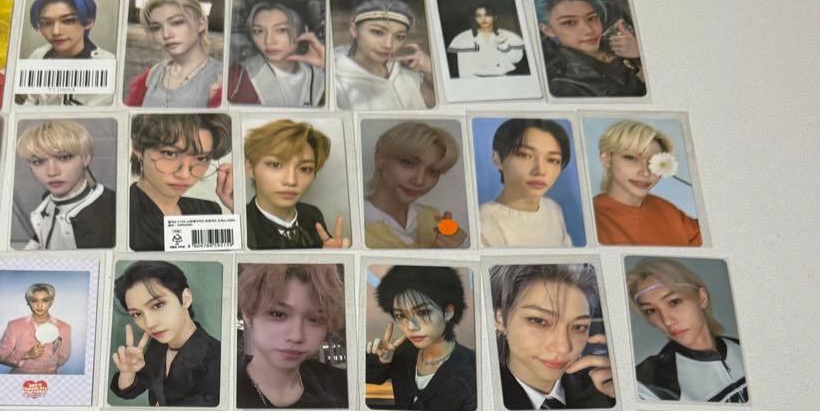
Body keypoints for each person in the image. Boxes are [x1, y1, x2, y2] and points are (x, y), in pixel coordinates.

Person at [490, 262, 615, 410]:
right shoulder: (482, 394)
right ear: (500, 319)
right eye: (539, 321)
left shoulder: (606, 392)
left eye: (578, 327)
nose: (563, 348)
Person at [626, 258, 747, 402]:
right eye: (651, 310)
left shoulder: (745, 349)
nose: (667, 321)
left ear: (701, 298)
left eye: (674, 302)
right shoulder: (648, 384)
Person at [236, 263, 349, 409]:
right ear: (249, 314)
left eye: (315, 319)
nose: (296, 336)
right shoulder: (220, 388)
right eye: (278, 314)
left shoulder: (341, 385)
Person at [366, 266, 477, 411]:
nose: (411, 326)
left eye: (423, 312)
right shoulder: (403, 352)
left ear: (448, 312)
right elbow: (367, 377)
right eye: (400, 315)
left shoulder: (472, 370)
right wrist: (382, 361)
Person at [110, 261, 221, 407]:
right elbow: (131, 389)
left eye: (158, 305)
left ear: (185, 298)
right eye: (137, 314)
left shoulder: (218, 358)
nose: (149, 323)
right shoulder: (157, 347)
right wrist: (127, 372)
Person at [128, 113, 233, 252]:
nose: (184, 175)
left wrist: (237, 207)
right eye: (169, 154)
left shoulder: (208, 211)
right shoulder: (119, 213)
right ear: (138, 149)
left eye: (201, 158)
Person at [592, 120, 701, 246]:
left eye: (653, 162)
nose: (645, 173)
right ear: (606, 158)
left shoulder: (667, 210)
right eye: (631, 158)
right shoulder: (593, 219)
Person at [244, 119, 349, 249]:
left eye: (305, 169)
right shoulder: (242, 224)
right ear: (250, 168)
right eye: (275, 165)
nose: (291, 180)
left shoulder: (312, 214)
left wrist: (332, 258)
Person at [363, 121, 466, 249]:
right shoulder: (356, 223)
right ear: (381, 159)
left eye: (433, 171)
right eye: (408, 163)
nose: (419, 181)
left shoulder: (432, 217)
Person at [15, 120, 116, 248]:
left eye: (64, 157)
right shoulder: (47, 201)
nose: (52, 172)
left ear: (86, 158)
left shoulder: (112, 207)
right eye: (38, 162)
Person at [533, 0, 645, 98]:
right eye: (570, 23)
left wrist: (640, 53)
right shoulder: (565, 87)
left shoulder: (614, 38)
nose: (589, 30)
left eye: (592, 18)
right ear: (548, 30)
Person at [479, 118, 574, 247]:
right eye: (525, 155)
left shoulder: (553, 209)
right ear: (497, 159)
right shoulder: (484, 223)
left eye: (552, 160)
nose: (540, 170)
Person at [125, 0, 223, 108]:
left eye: (176, 23)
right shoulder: (154, 73)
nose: (166, 34)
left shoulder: (221, 79)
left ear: (201, 24)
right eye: (156, 28)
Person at [334, 0, 434, 110]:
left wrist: (431, 69)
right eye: (378, 32)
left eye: (399, 37)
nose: (388, 45)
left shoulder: (409, 73)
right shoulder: (334, 82)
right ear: (354, 30)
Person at [19, 0, 115, 107]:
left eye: (68, 21)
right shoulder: (38, 55)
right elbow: (31, 101)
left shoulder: (107, 64)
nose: (55, 32)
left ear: (88, 22)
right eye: (46, 23)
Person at [228, 0, 326, 107]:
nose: (268, 41)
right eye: (258, 31)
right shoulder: (236, 79)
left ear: (304, 30)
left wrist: (327, 65)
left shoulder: (321, 76)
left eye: (281, 30)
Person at [0, 282, 73, 375]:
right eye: (34, 300)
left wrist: (48, 364)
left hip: (50, 378)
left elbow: (62, 358)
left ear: (51, 302)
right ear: (28, 302)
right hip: (20, 377)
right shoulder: (14, 326)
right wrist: (26, 355)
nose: (39, 305)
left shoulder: (64, 328)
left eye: (45, 300)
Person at [448, 4, 525, 77]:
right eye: (479, 16)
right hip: (477, 81)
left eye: (487, 15)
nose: (483, 19)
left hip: (503, 79)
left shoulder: (508, 35)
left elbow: (516, 59)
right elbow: (464, 68)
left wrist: (503, 44)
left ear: (495, 17)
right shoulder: (465, 37)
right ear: (475, 19)